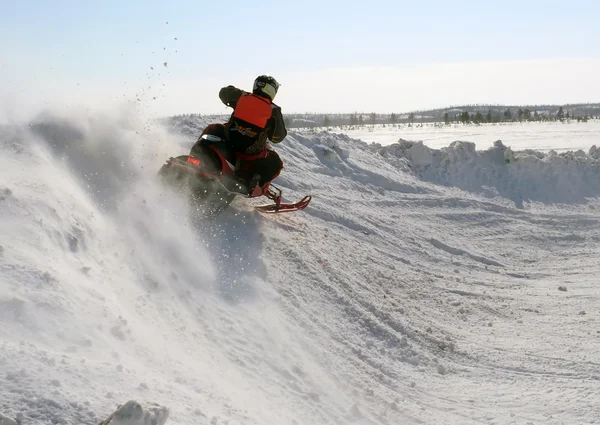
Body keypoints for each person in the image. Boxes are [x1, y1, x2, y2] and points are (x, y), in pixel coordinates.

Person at [194, 75, 288, 194]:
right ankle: (252, 182)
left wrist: (235, 91)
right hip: (248, 155)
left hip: (227, 143)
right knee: (275, 162)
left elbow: (223, 93)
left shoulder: (242, 97)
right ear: (272, 90)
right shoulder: (273, 110)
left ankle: (199, 152)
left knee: (214, 127)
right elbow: (278, 137)